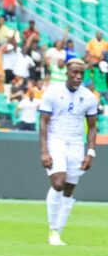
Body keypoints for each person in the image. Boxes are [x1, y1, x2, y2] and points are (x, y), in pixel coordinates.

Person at [38, 59, 98, 246]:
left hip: (76, 143)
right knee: (58, 183)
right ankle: (52, 228)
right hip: (56, 140)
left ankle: (57, 232)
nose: (78, 77)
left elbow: (93, 127)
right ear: (67, 72)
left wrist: (90, 152)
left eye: (81, 73)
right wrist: (44, 151)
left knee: (69, 188)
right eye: (75, 73)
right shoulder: (53, 93)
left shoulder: (89, 97)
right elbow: (44, 123)